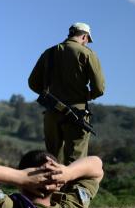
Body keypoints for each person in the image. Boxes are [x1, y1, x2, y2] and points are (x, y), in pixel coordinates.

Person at [28, 22, 105, 165]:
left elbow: (32, 82)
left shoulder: (49, 53)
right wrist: (86, 96)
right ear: (84, 37)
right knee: (75, 161)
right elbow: (99, 88)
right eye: (88, 40)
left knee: (51, 160)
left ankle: (51, 187)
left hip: (52, 112)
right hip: (77, 114)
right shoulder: (87, 53)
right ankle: (72, 188)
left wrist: (48, 96)